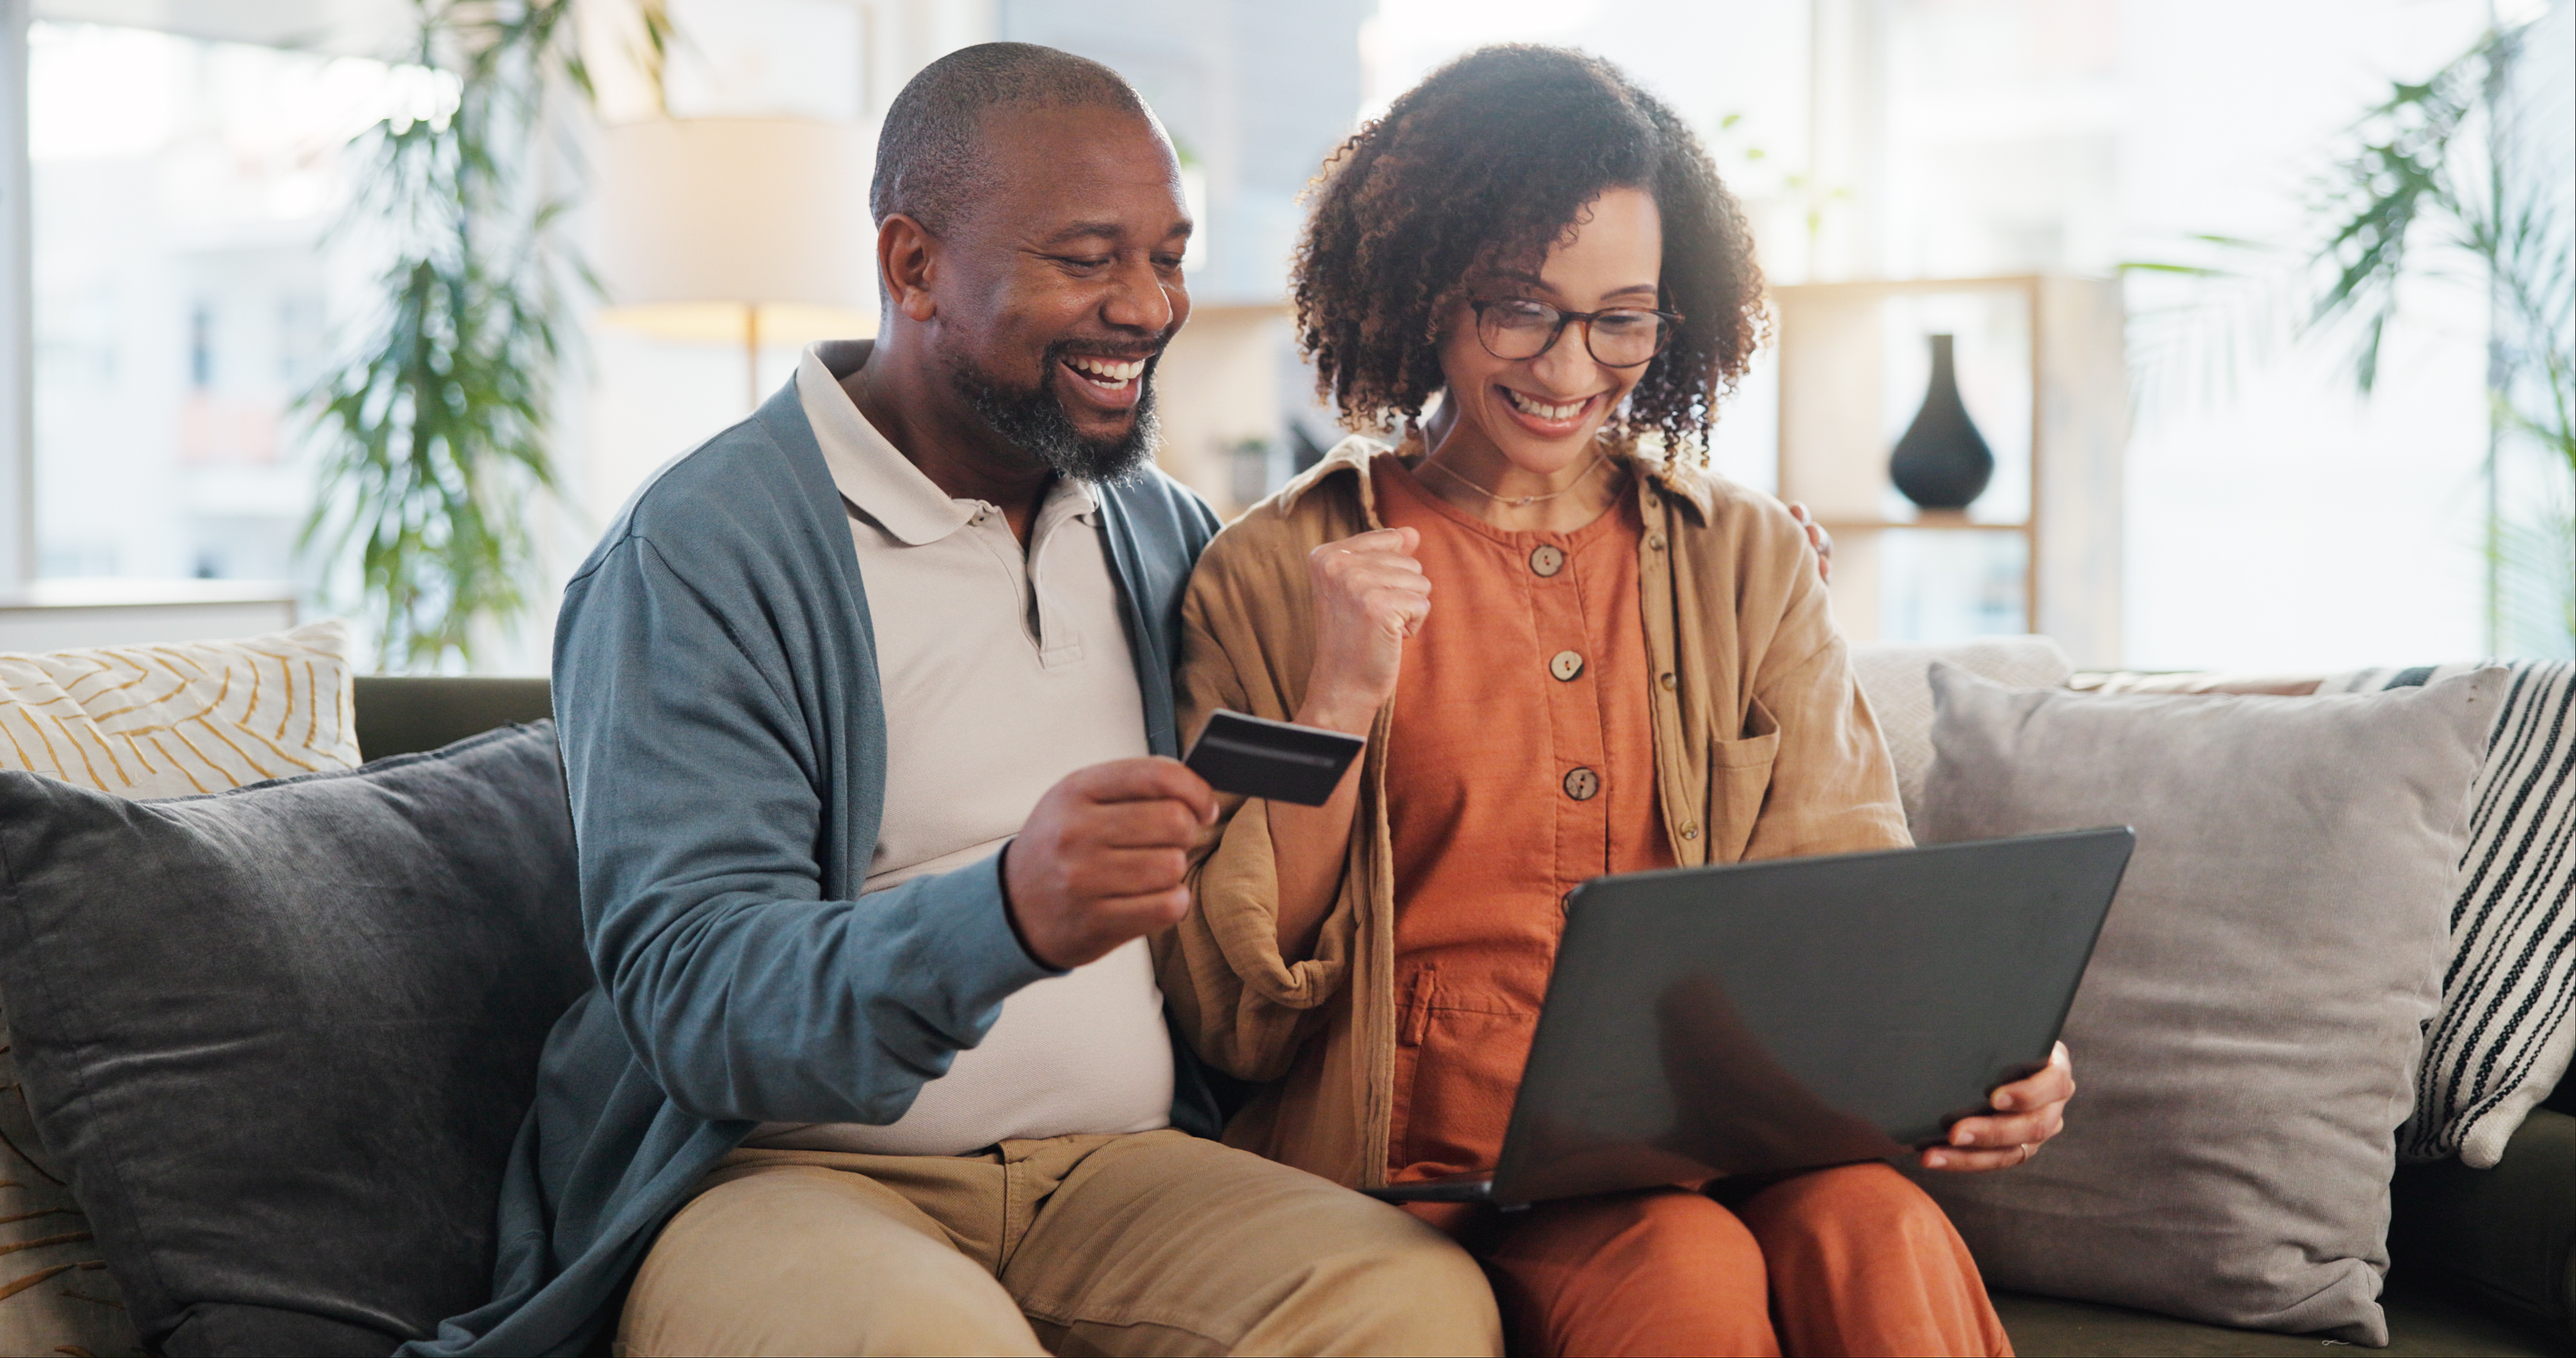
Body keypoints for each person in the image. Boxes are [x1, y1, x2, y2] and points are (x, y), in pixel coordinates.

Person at [404, 43, 1501, 1358]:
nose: (1147, 307)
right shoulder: (703, 553)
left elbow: (1254, 862)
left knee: (1412, 1303)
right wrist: (1005, 915)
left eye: (1167, 254)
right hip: (783, 1177)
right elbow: (693, 995)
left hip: (1114, 1169)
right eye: (1087, 259)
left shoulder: (1160, 531)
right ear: (913, 265)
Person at [1157, 45, 2070, 1358]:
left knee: (1880, 1227)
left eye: (1621, 318)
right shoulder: (1272, 572)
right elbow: (1236, 1010)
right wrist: (1338, 691)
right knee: (1677, 1261)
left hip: (1726, 1130)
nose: (1570, 365)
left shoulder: (1745, 556)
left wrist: (1991, 1059)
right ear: (1422, 293)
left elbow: (1849, 894)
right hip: (1432, 1168)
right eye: (1518, 308)